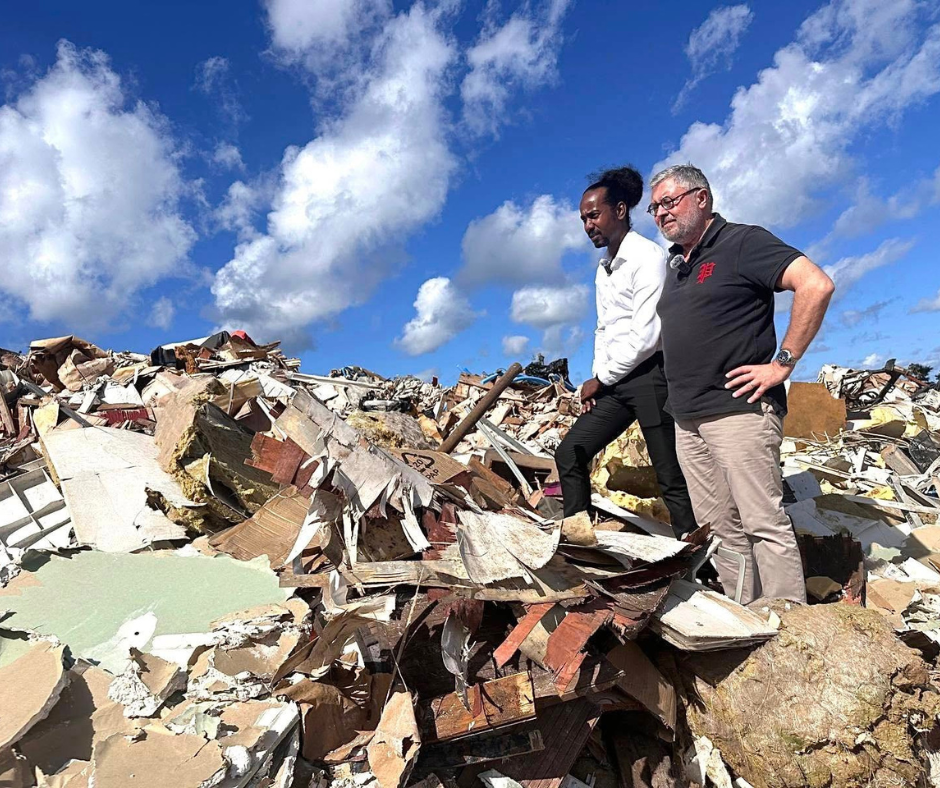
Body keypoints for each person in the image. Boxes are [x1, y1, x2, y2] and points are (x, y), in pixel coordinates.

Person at [648, 163, 835, 604]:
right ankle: (745, 616)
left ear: (702, 198)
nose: (660, 214)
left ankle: (790, 623)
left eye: (669, 202)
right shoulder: (676, 266)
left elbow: (816, 284)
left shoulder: (742, 242)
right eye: (655, 208)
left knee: (762, 522)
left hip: (739, 411)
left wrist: (782, 364)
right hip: (688, 419)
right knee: (720, 530)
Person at [554, 166, 697, 538]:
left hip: (651, 378)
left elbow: (647, 335)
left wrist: (601, 377)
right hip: (617, 383)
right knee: (571, 452)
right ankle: (579, 540)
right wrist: (598, 377)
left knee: (670, 477)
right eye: (583, 219)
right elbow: (604, 328)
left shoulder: (647, 257)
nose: (588, 225)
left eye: (594, 215)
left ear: (619, 210)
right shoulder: (605, 269)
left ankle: (699, 561)